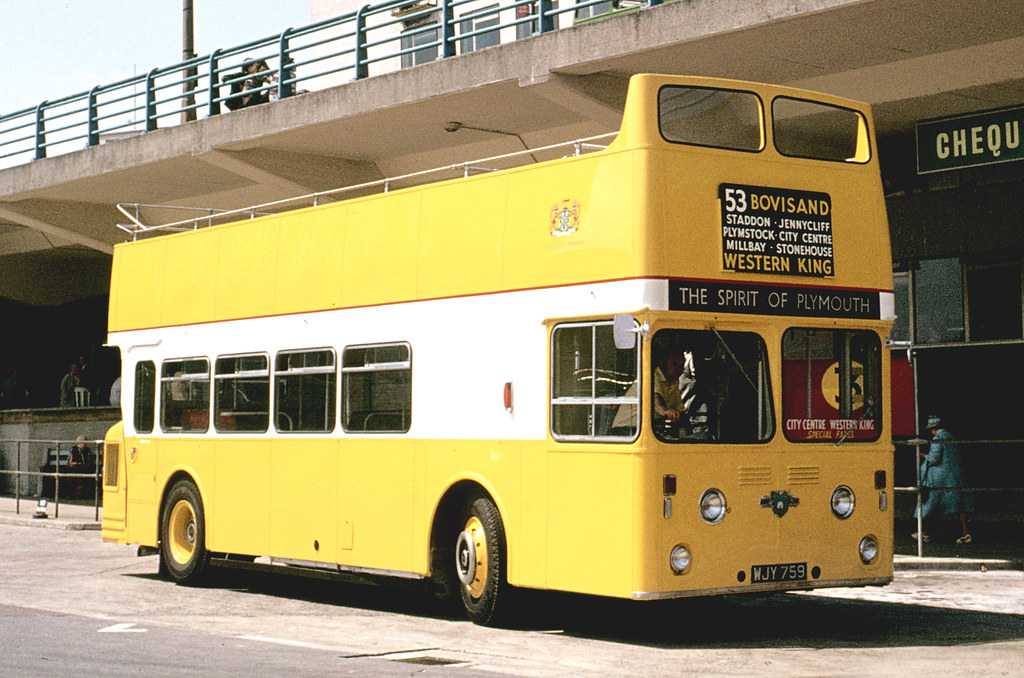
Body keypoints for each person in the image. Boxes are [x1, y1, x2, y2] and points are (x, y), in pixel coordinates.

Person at [915, 415, 974, 543]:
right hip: (955, 474)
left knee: (932, 503)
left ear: (932, 429)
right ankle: (965, 531)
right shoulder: (951, 436)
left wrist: (925, 455)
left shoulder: (937, 438)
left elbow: (935, 458)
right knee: (959, 505)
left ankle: (925, 532)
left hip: (941, 476)